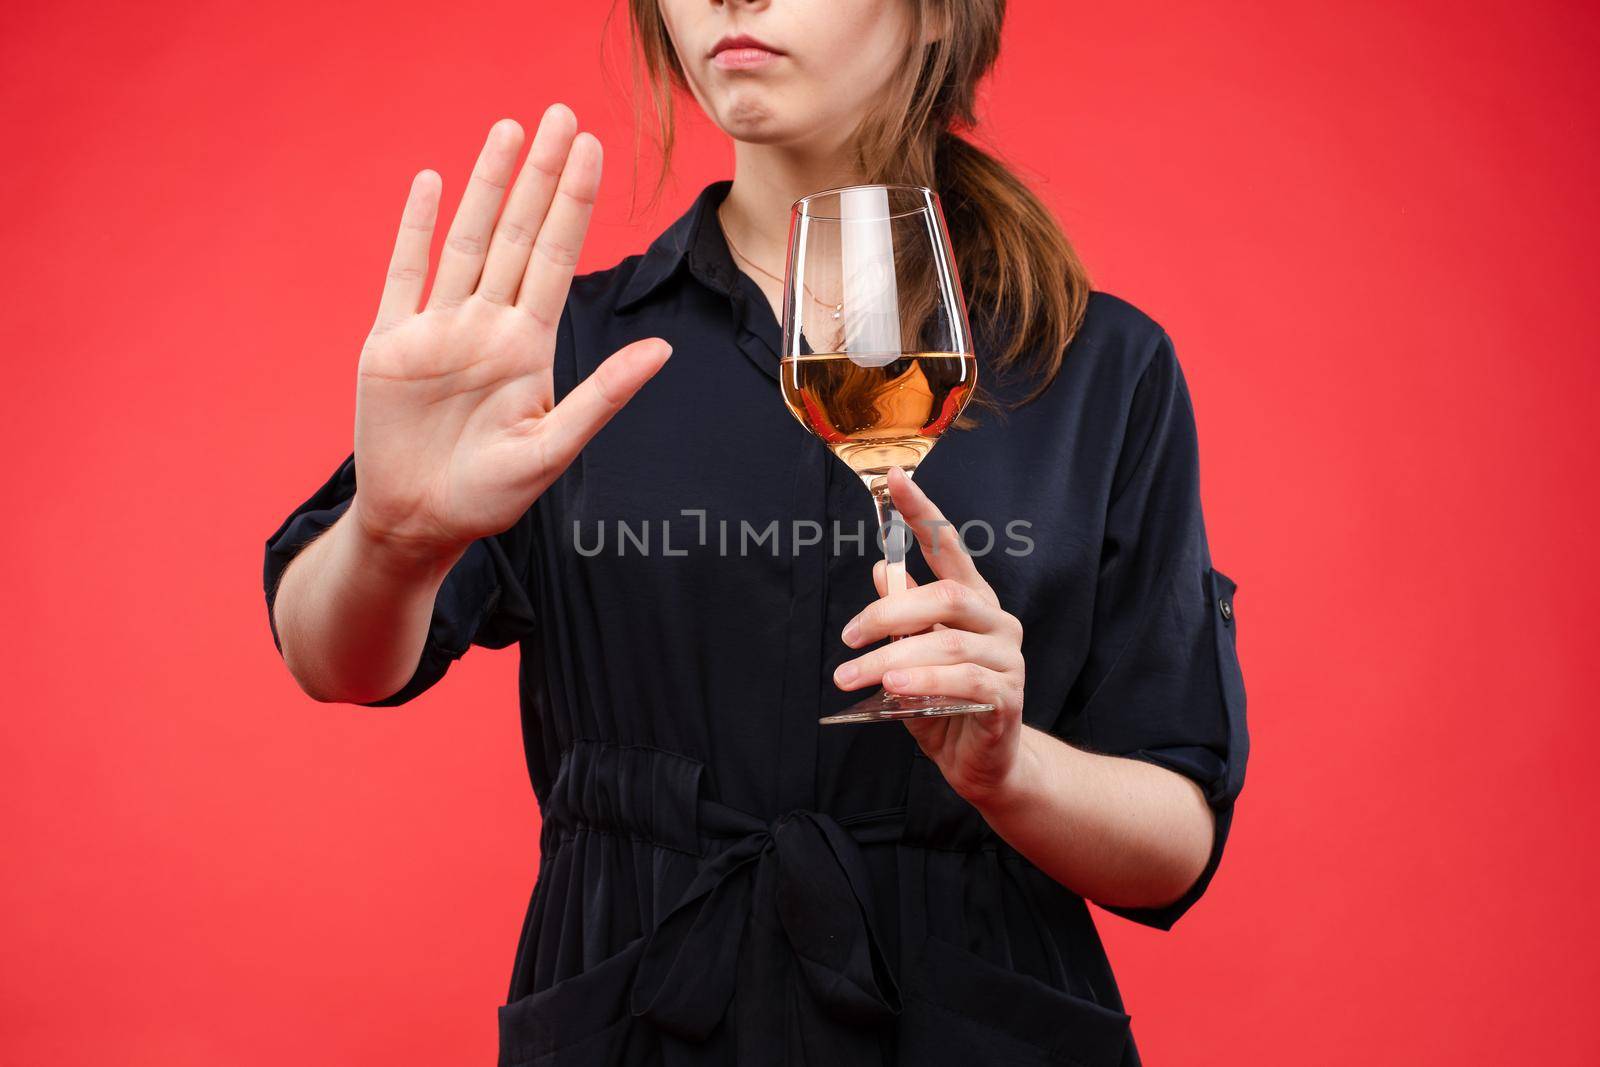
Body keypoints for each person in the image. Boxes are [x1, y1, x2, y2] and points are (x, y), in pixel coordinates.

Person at [262, 2, 1248, 1064]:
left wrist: (1010, 770)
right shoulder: (557, 352)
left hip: (975, 1013)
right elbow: (334, 660)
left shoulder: (1098, 365)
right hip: (640, 1007)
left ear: (934, 17)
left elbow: (1175, 839)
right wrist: (392, 536)